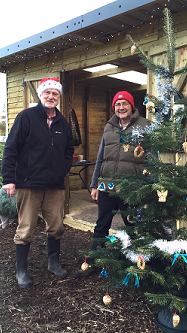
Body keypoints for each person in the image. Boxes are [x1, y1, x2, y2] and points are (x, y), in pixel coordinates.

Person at [2, 77, 74, 288]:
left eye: (55, 94)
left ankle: (53, 263)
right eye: (47, 93)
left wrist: (63, 169)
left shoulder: (63, 123)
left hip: (54, 185)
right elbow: (11, 148)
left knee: (57, 226)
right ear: (41, 95)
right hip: (29, 182)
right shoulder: (26, 117)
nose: (51, 97)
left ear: (59, 97)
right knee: (26, 228)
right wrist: (8, 179)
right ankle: (21, 271)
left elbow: (69, 150)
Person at [74, 91, 149, 278]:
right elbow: (101, 157)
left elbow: (152, 158)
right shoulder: (109, 127)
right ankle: (94, 262)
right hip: (106, 186)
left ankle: (136, 266)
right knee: (101, 225)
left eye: (125, 104)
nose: (121, 108)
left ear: (132, 106)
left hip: (131, 187)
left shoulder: (145, 126)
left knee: (132, 226)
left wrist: (147, 186)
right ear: (114, 107)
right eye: (117, 104)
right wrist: (94, 185)